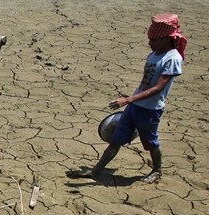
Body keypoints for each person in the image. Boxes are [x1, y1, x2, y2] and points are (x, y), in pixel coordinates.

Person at [74, 14, 185, 184]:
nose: (150, 44)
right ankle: (96, 171)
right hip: (135, 106)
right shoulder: (154, 54)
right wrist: (132, 101)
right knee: (116, 138)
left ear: (165, 39)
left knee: (150, 141)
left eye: (153, 40)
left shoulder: (173, 58)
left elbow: (158, 88)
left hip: (150, 109)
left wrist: (128, 99)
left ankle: (157, 170)